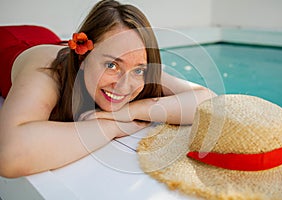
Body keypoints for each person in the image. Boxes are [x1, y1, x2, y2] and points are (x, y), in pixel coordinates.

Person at [0, 0, 216, 178]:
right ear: (83, 57)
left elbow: (210, 102)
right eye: (112, 65)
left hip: (47, 36)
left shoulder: (134, 62)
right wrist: (112, 127)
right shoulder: (48, 72)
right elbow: (9, 155)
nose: (124, 85)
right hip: (8, 40)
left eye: (138, 70)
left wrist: (131, 111)